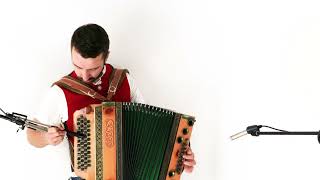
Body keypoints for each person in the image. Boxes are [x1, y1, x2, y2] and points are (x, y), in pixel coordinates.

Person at [26, 23, 196, 179]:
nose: (84, 76)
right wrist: (46, 138)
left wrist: (178, 155)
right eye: (78, 66)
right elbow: (31, 135)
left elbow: (149, 129)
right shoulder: (60, 92)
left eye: (93, 69)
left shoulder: (125, 80)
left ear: (106, 56)